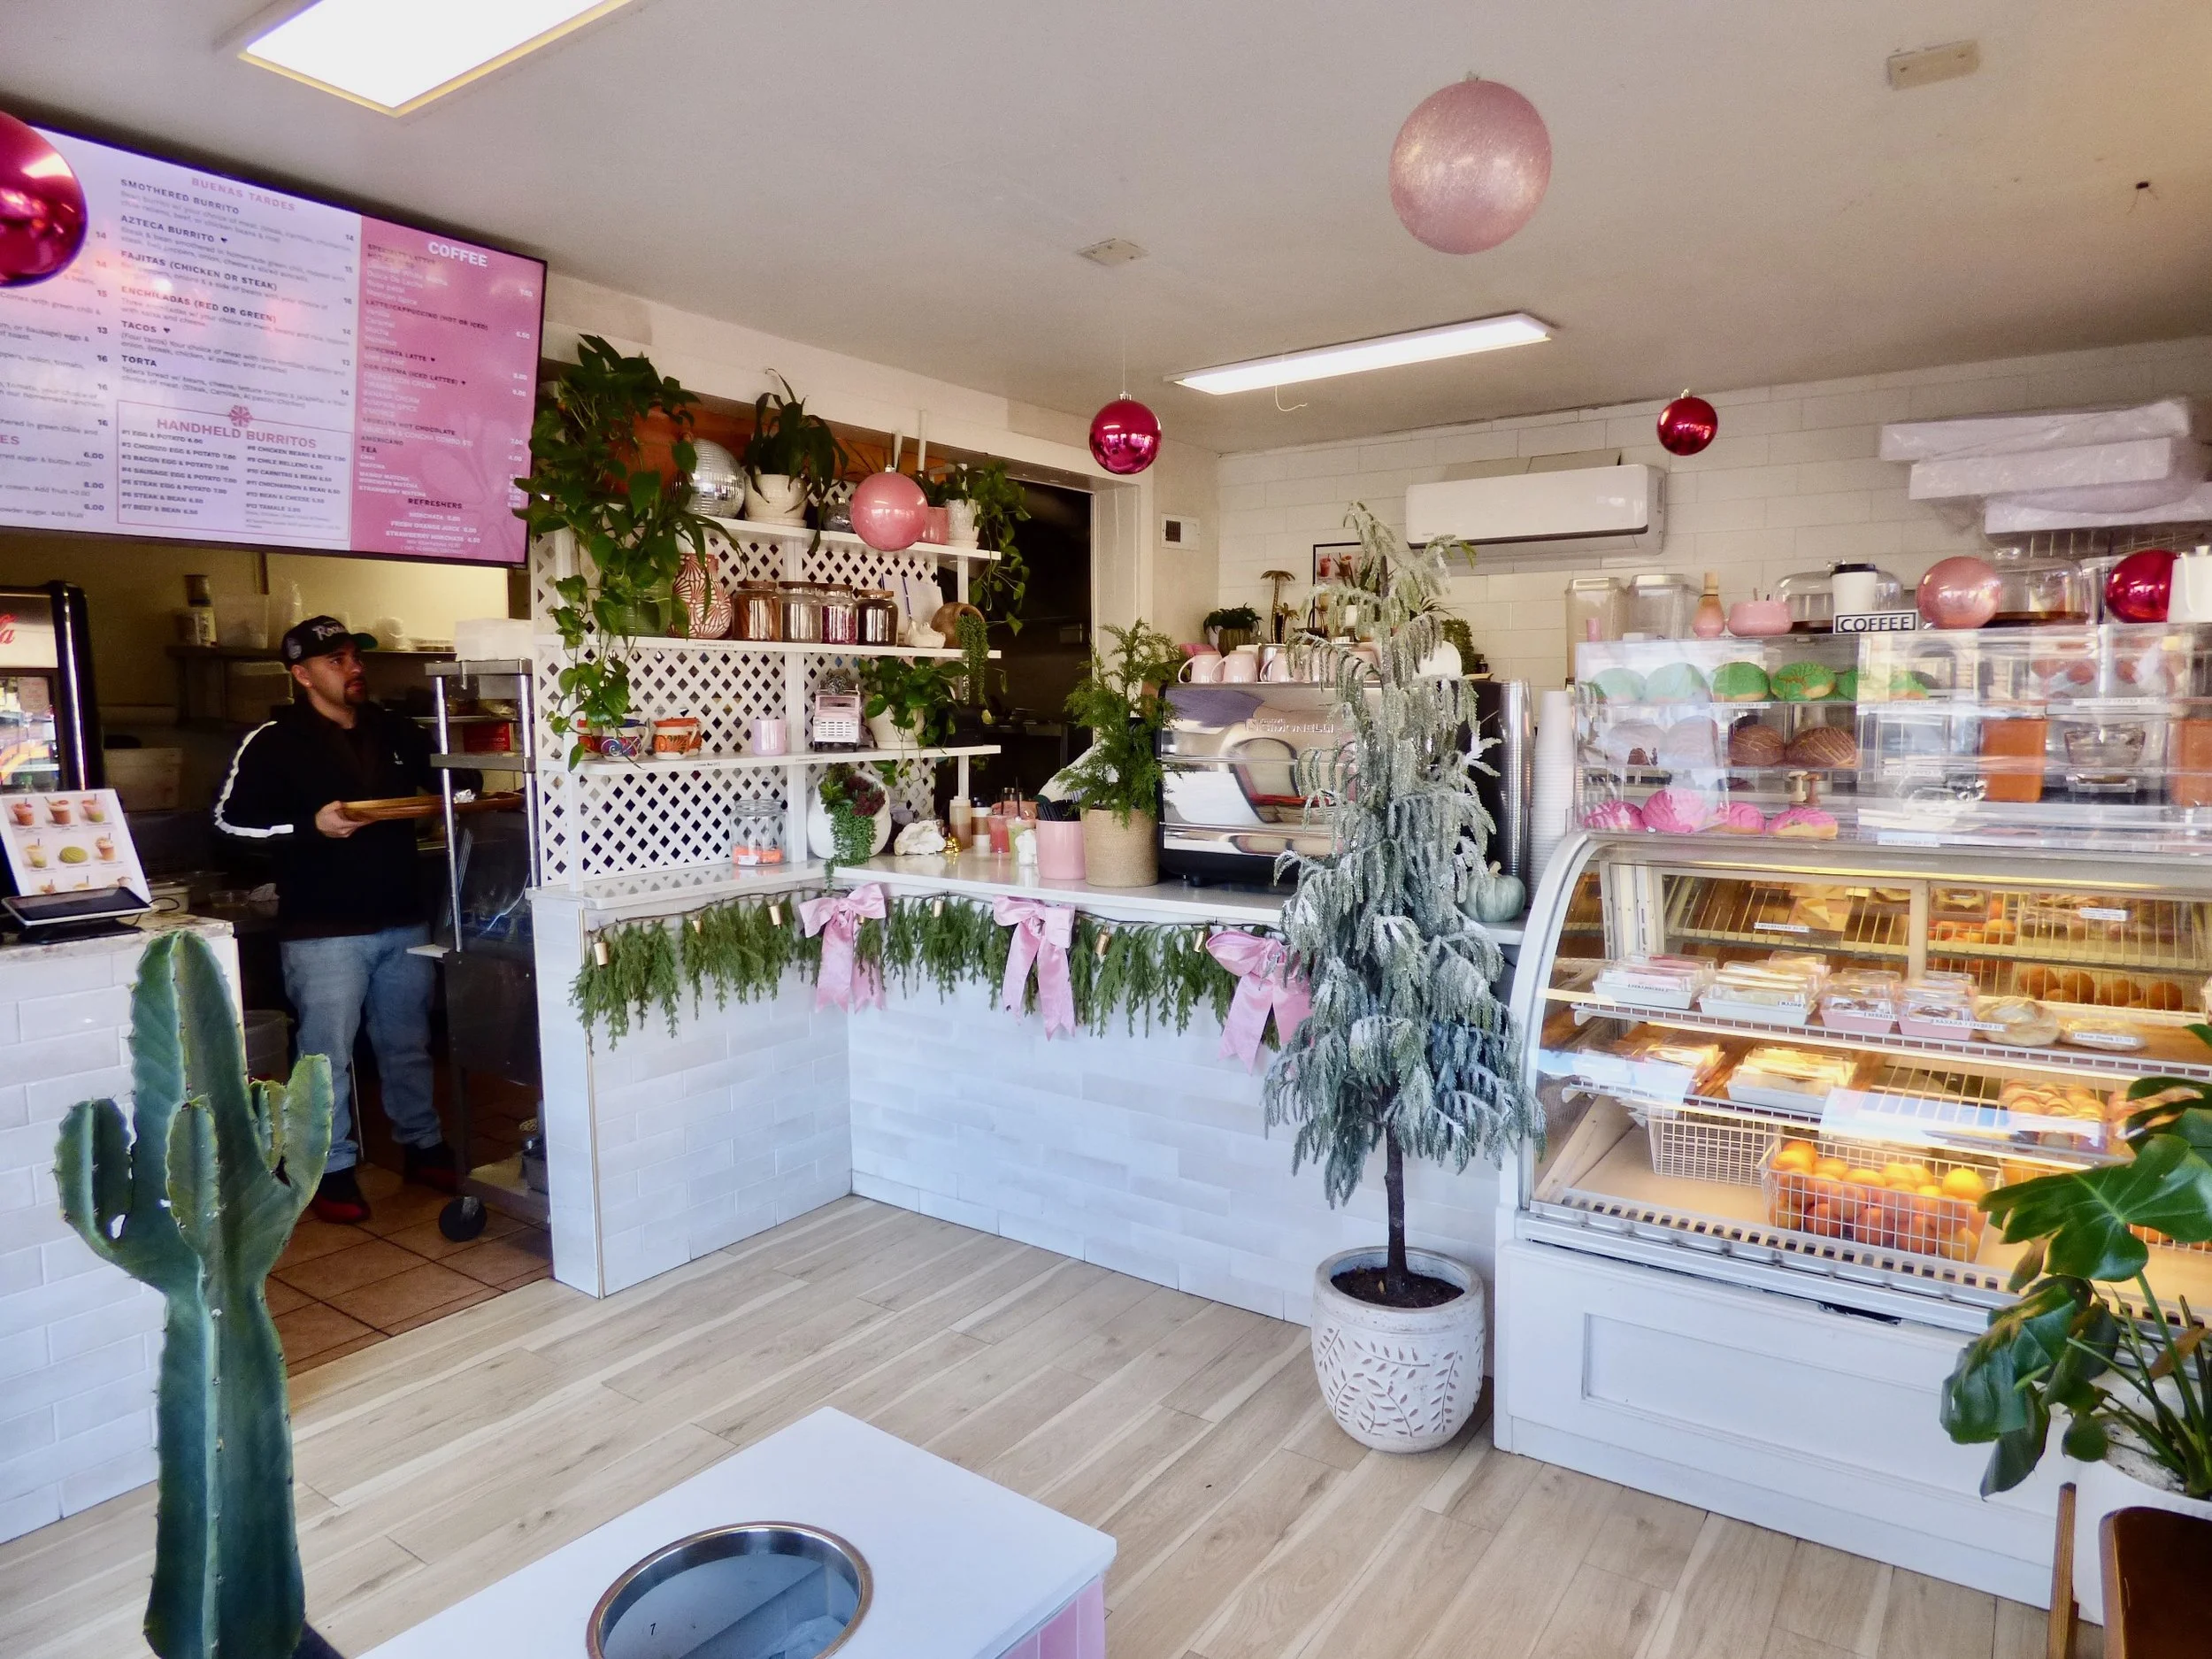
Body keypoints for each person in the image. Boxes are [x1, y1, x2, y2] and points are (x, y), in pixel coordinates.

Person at [214, 616, 473, 1223]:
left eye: (356, 656)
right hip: (323, 929)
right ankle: (327, 1166)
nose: (355, 668)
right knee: (325, 1055)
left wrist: (454, 790)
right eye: (338, 660)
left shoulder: (392, 728)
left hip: (401, 917)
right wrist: (311, 826)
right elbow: (226, 825)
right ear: (301, 674)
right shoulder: (273, 740)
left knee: (408, 1043)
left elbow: (453, 779)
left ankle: (422, 1143)